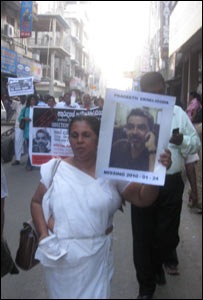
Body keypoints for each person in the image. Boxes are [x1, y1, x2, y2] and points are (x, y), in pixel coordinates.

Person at [31, 115, 171, 299]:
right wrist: (42, 235)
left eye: (86, 135)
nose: (79, 141)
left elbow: (142, 198)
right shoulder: (55, 168)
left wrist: (160, 170)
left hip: (96, 260)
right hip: (59, 260)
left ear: (98, 138)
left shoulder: (112, 172)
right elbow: (36, 202)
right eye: (74, 135)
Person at [131, 72, 201, 299]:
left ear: (164, 90)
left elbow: (195, 143)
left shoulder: (179, 114)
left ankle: (158, 263)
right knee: (142, 237)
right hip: (142, 181)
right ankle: (146, 288)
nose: (155, 96)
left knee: (166, 237)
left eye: (159, 91)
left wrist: (181, 140)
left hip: (170, 183)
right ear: (142, 92)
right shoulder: (135, 115)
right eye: (149, 92)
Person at [18, 94, 38, 171]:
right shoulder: (25, 109)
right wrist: (24, 118)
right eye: (31, 100)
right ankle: (29, 163)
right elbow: (20, 118)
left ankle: (33, 162)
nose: (32, 101)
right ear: (29, 101)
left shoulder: (38, 108)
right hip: (28, 132)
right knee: (30, 148)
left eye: (34, 100)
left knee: (34, 148)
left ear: (36, 101)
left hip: (36, 132)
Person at [11, 96, 26, 166]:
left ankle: (31, 159)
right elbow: (10, 101)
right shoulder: (16, 104)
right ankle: (18, 159)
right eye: (21, 96)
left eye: (24, 96)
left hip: (27, 126)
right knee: (17, 141)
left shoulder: (28, 104)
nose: (23, 98)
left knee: (29, 142)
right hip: (18, 125)